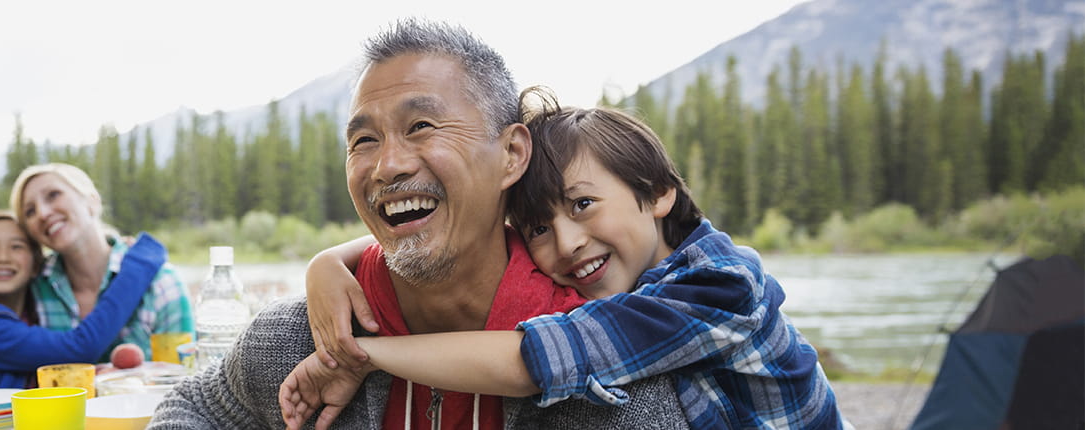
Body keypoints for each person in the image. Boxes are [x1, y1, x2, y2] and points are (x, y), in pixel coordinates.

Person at [149, 18, 687, 430]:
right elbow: (193, 405)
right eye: (363, 140)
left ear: (511, 155)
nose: (387, 165)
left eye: (421, 126)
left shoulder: (605, 365)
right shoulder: (301, 340)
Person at [285, 89, 845, 429]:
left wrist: (365, 356)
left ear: (657, 194)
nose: (568, 242)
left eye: (583, 204)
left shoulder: (719, 288)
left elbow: (533, 361)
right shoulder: (648, 274)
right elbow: (453, 231)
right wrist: (328, 263)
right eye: (538, 228)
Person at [0, 210, 169, 390]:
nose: (2, 257)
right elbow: (79, 347)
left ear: (36, 265)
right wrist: (138, 266)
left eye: (17, 247)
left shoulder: (34, 310)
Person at [9, 162, 194, 360]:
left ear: (92, 201)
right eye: (30, 211)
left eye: (53, 195)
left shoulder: (162, 282)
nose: (43, 213)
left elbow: (183, 376)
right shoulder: (32, 289)